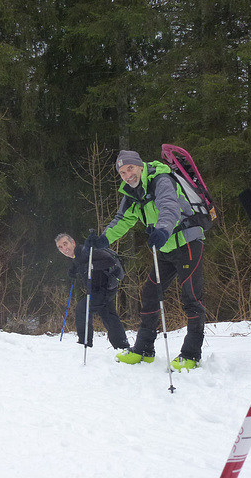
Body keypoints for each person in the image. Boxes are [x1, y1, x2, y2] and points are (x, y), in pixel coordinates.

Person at [86, 150, 206, 371]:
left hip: (187, 242)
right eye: (122, 172)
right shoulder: (132, 193)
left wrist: (161, 230)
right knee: (150, 294)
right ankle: (144, 349)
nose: (127, 175)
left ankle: (191, 354)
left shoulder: (161, 180)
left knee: (191, 297)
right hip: (165, 246)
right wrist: (103, 240)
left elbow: (169, 207)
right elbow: (122, 219)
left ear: (140, 166)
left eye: (130, 168)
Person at [56, 233, 130, 350]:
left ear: (73, 242)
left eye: (65, 244)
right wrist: (74, 270)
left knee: (82, 309)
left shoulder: (86, 251)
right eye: (60, 247)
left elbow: (110, 261)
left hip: (103, 288)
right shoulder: (78, 256)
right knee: (109, 316)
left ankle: (84, 344)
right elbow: (82, 264)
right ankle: (122, 346)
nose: (64, 249)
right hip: (102, 289)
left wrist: (90, 266)